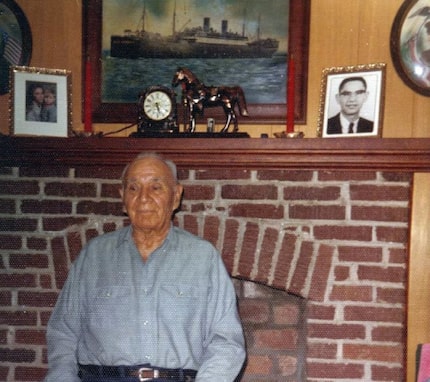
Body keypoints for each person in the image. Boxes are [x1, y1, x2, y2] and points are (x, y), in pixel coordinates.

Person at [44, 152, 246, 382]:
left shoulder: (203, 258)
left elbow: (227, 342)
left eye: (156, 187)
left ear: (176, 196)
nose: (143, 198)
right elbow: (63, 333)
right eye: (133, 188)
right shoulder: (94, 256)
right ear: (123, 197)